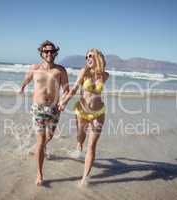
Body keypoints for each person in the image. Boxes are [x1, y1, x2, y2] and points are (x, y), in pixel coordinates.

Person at [19, 40, 69, 186]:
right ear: (41, 53)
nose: (49, 54)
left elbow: (66, 90)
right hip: (38, 109)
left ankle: (37, 148)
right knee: (41, 139)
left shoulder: (60, 70)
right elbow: (27, 79)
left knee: (50, 136)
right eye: (46, 51)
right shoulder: (35, 68)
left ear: (55, 53)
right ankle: (40, 174)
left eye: (52, 51)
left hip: (54, 109)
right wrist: (21, 88)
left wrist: (63, 101)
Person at [58, 48, 109, 186]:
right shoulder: (84, 72)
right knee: (81, 137)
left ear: (97, 58)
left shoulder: (105, 75)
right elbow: (74, 89)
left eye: (90, 56)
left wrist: (99, 62)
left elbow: (102, 65)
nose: (87, 59)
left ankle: (84, 178)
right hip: (82, 112)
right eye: (86, 57)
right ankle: (79, 146)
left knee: (92, 146)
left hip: (98, 113)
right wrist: (64, 102)